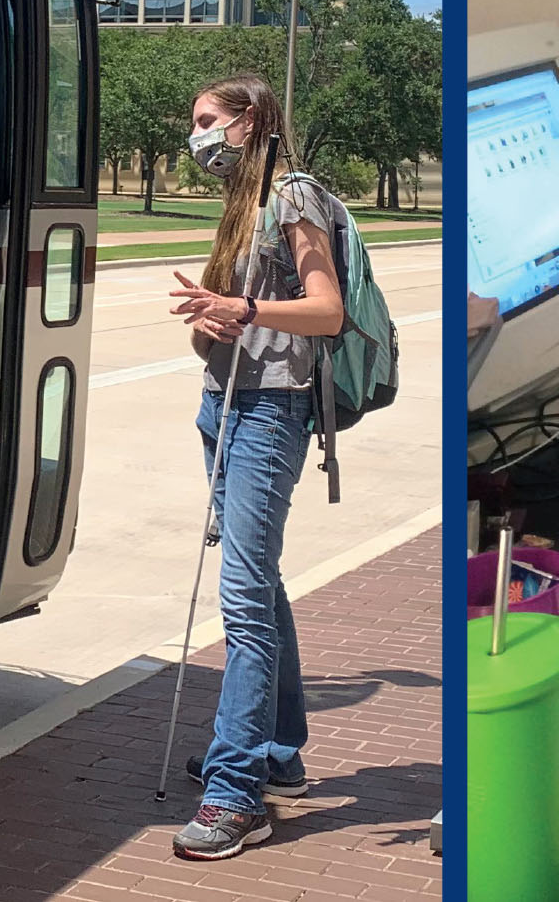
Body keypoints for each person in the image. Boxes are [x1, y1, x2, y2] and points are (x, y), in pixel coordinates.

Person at [161, 74, 348, 859]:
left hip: (271, 412)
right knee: (259, 582)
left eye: (208, 120)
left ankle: (237, 792)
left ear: (249, 122)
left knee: (241, 598)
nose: (197, 136)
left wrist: (246, 310)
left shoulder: (294, 194)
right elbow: (234, 325)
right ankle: (278, 752)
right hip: (226, 404)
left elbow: (327, 308)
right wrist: (212, 318)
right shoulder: (244, 206)